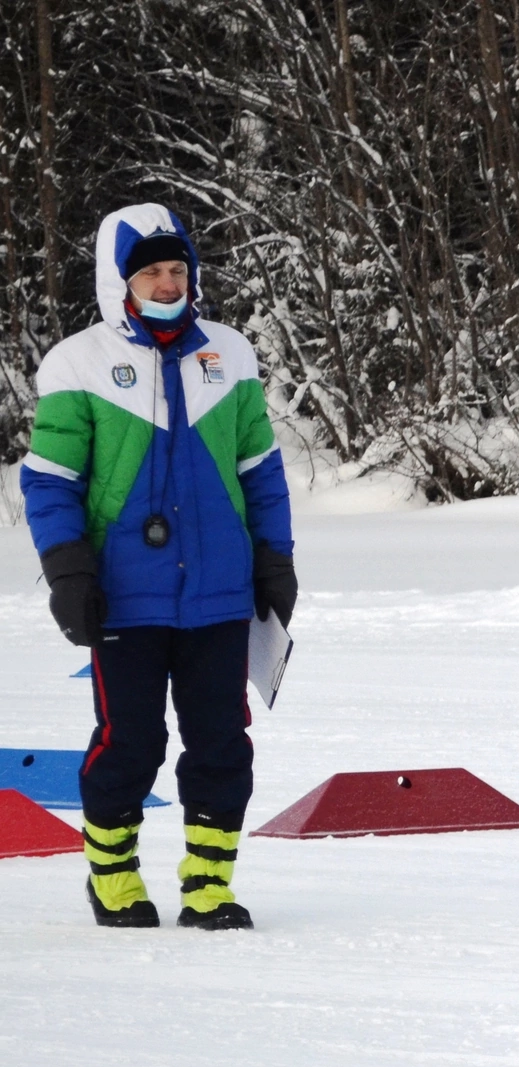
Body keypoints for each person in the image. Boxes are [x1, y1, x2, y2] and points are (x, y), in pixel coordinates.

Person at [21, 204, 295, 930]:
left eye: (177, 269)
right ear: (121, 282)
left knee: (221, 741)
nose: (167, 282)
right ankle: (112, 877)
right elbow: (49, 481)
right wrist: (69, 570)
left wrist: (275, 558)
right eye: (150, 271)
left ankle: (208, 886)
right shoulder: (75, 363)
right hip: (123, 596)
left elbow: (261, 468)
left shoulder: (228, 354)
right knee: (130, 741)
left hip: (218, 593)